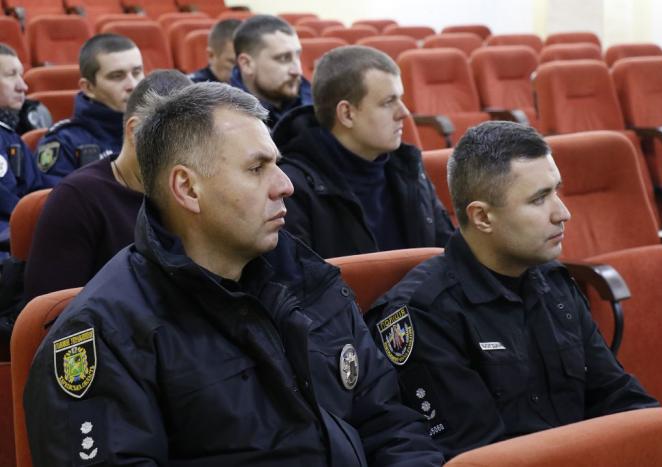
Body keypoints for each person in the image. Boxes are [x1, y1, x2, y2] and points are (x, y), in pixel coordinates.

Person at [24, 82, 444, 466]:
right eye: (257, 168)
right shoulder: (106, 332)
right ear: (188, 189)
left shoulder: (308, 281)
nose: (285, 185)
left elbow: (390, 423)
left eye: (277, 164)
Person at [365, 121, 659, 460]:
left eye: (556, 191)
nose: (563, 213)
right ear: (482, 218)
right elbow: (479, 455)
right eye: (539, 199)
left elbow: (617, 396)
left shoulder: (554, 283)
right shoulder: (424, 314)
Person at [23, 70, 192, 302]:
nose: (191, 155)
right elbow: (53, 311)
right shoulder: (77, 199)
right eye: (179, 141)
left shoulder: (196, 189)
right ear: (135, 132)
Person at [273, 45, 453, 258]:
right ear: (347, 114)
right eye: (388, 102)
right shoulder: (292, 188)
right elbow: (299, 276)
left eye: (401, 99)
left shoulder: (409, 168)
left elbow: (449, 254)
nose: (404, 112)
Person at [35, 34, 144, 186]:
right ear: (88, 88)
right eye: (117, 76)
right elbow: (56, 198)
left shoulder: (161, 129)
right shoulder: (64, 143)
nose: (132, 85)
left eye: (137, 72)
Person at [230, 14, 311, 129]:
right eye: (283, 58)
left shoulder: (318, 106)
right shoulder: (223, 120)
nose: (298, 71)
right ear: (246, 64)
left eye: (297, 56)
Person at [0, 43, 46, 236]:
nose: (23, 86)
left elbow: (37, 188)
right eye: (11, 75)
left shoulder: (11, 136)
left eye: (21, 75)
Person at [188, 18, 241, 83]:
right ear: (211, 55)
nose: (243, 70)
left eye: (246, 62)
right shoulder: (192, 85)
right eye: (233, 62)